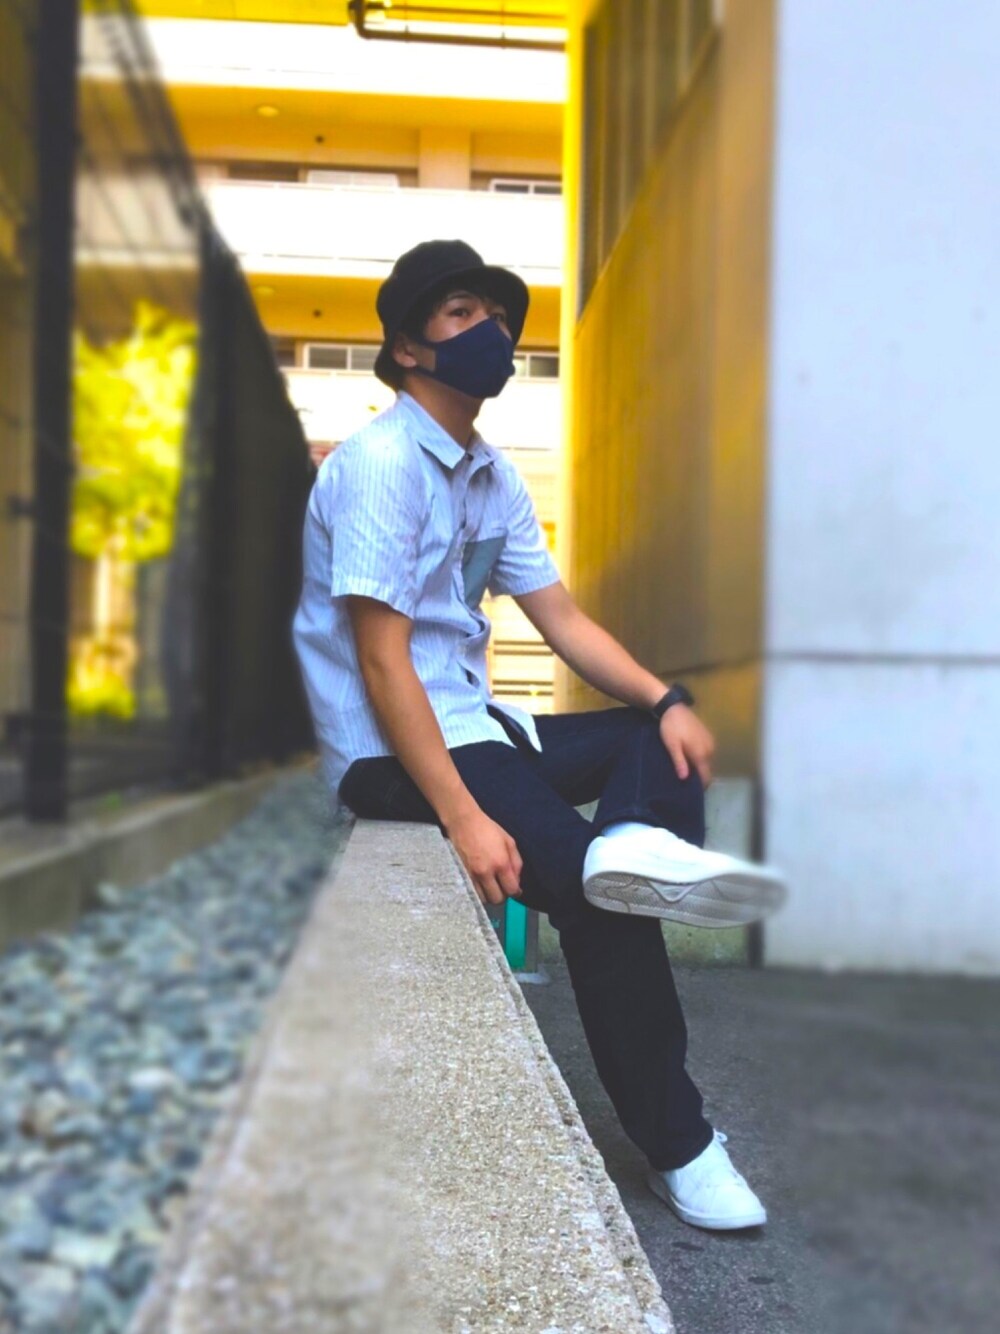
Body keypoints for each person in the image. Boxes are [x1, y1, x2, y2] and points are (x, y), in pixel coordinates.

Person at [293, 239, 786, 1231]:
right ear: (407, 349)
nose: (491, 332)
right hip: (391, 752)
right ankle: (680, 1146)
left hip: (478, 723)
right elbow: (384, 664)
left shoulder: (489, 476)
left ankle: (634, 840)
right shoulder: (380, 465)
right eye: (461, 314)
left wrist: (668, 698)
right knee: (600, 900)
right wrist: (464, 816)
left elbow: (559, 618)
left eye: (496, 315)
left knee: (649, 738)